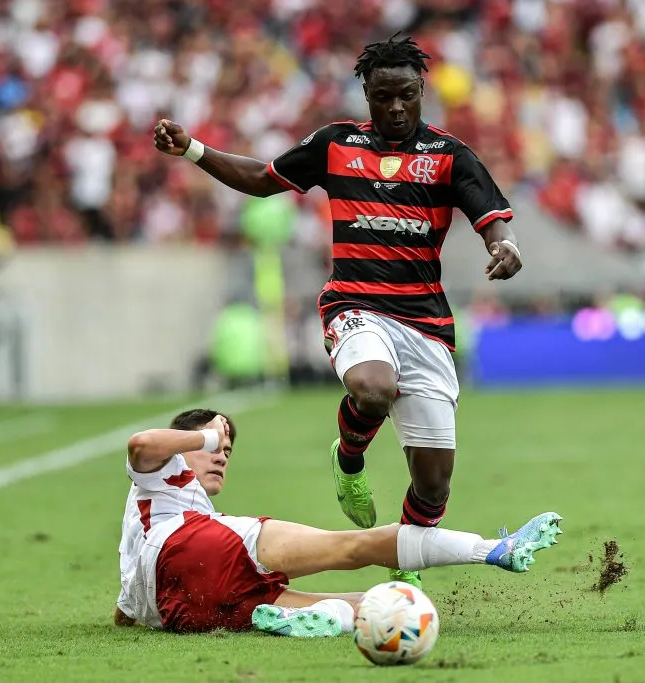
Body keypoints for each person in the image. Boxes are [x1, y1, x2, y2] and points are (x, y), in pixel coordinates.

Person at [152, 34, 523, 589]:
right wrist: (193, 149)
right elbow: (261, 179)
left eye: (406, 95)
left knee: (434, 484)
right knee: (374, 389)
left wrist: (503, 245)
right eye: (382, 97)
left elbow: (489, 216)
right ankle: (350, 458)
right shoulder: (335, 144)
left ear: (422, 90)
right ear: (366, 96)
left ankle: (406, 568)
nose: (395, 108)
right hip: (355, 305)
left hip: (425, 323)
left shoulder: (449, 155)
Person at [114, 409, 562, 636]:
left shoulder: (142, 519)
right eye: (214, 447)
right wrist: (209, 432)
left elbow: (125, 612)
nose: (220, 456)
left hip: (187, 612)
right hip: (194, 549)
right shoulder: (165, 472)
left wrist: (126, 616)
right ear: (182, 445)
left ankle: (321, 616)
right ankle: (493, 549)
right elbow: (141, 443)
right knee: (354, 546)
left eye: (226, 452)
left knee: (383, 605)